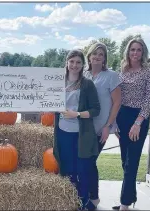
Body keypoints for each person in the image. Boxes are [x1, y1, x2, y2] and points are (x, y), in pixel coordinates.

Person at [52, 49, 101, 211]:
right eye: (72, 61)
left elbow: (96, 110)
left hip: (81, 135)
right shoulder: (57, 82)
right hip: (62, 132)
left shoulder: (87, 84)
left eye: (78, 62)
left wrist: (77, 114)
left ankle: (83, 203)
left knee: (83, 170)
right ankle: (69, 203)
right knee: (67, 169)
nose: (74, 65)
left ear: (82, 65)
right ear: (67, 63)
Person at [112, 38, 150, 211]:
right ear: (128, 51)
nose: (135, 53)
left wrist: (138, 122)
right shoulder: (122, 70)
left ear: (143, 52)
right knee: (125, 161)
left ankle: (124, 204)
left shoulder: (149, 72)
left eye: (138, 50)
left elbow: (149, 99)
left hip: (139, 117)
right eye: (132, 49)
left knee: (132, 162)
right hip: (122, 116)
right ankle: (130, 197)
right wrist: (114, 121)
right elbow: (116, 97)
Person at [84, 42, 122, 208]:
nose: (97, 57)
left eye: (101, 54)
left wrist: (108, 125)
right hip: (83, 127)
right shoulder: (83, 74)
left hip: (100, 127)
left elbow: (117, 102)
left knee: (91, 161)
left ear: (105, 58)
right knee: (84, 162)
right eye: (94, 54)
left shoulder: (111, 76)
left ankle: (94, 198)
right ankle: (84, 195)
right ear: (89, 56)